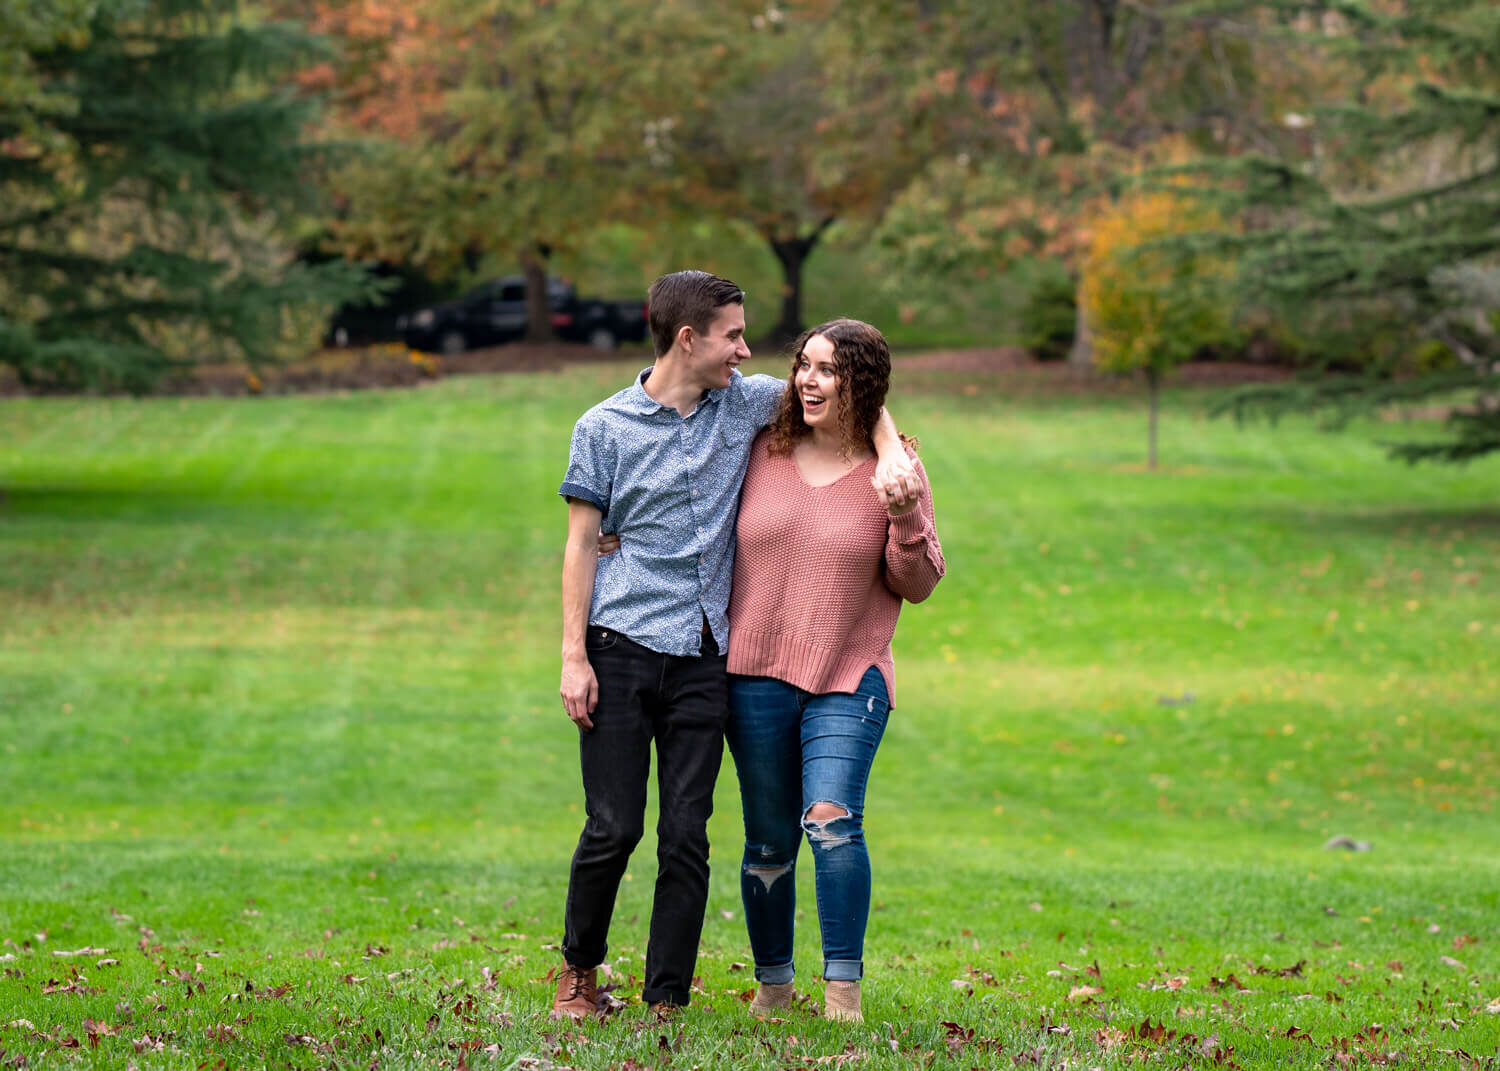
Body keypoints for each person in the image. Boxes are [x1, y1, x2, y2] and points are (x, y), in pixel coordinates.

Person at [552, 273, 921, 1020]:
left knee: (688, 831)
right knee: (615, 825)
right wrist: (572, 655)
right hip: (620, 643)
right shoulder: (602, 427)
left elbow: (853, 393)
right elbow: (582, 542)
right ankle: (579, 971)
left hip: (704, 655)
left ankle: (667, 999)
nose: (748, 350)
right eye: (734, 336)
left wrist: (890, 452)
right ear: (689, 338)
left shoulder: (746, 404)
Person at [723, 318, 944, 1024]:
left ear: (861, 385)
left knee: (832, 819)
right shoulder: (763, 449)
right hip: (755, 672)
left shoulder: (896, 469)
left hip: (851, 673)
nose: (807, 380)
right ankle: (774, 987)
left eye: (826, 370)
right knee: (766, 842)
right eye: (803, 365)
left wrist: (905, 517)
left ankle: (842, 994)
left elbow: (920, 581)